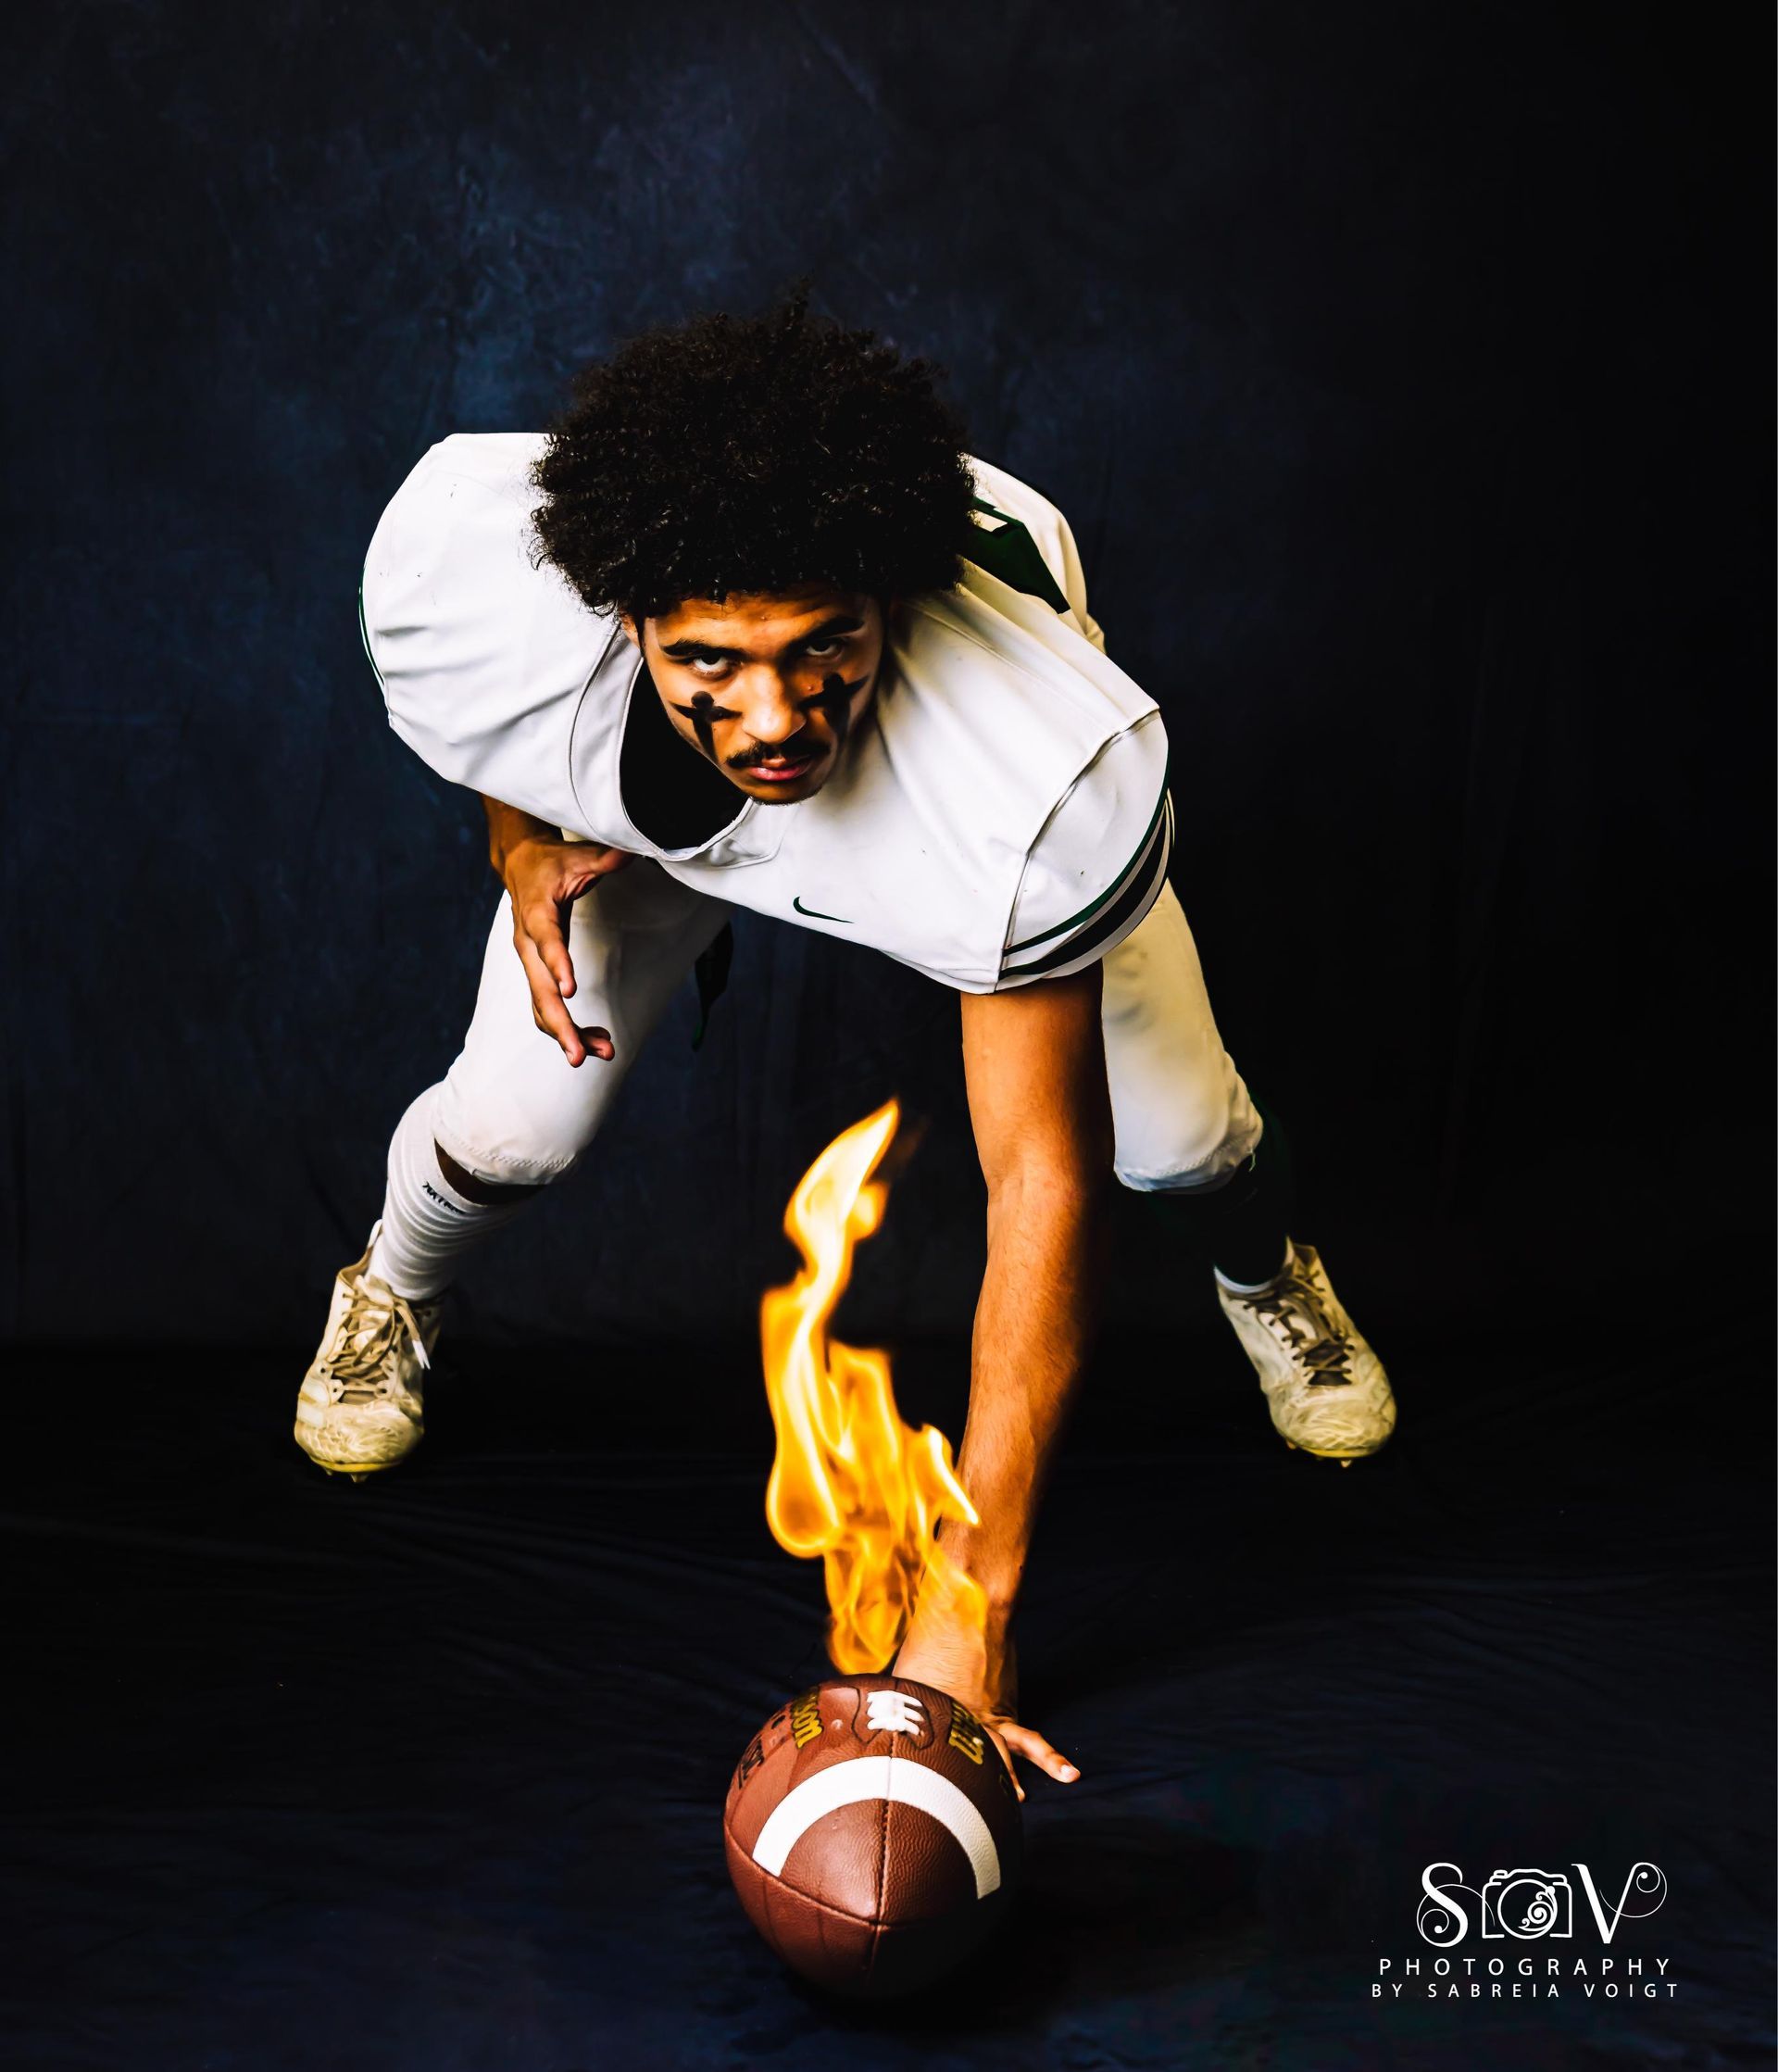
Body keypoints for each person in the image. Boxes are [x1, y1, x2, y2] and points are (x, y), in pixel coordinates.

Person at [294, 295, 1396, 1786]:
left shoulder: (1015, 780)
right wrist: (517, 848)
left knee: (1184, 1136)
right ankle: (392, 1294)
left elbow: (1038, 1183)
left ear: (886, 598)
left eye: (823, 647)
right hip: (665, 845)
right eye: (712, 663)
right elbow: (493, 719)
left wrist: (973, 1596)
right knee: (513, 1128)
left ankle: (1275, 1280)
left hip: (958, 840)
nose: (771, 717)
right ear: (626, 622)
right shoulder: (516, 586)